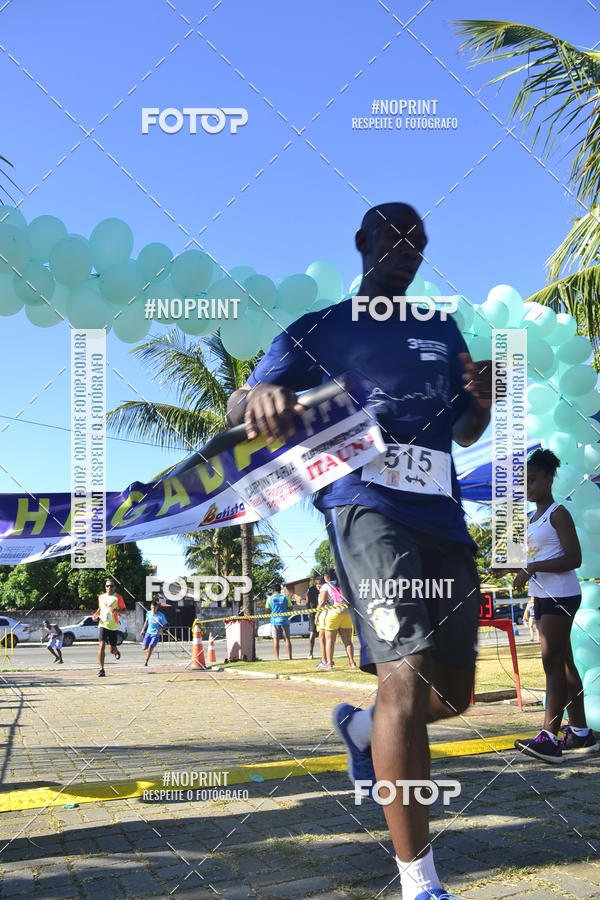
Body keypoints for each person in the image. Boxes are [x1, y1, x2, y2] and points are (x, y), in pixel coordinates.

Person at [227, 202, 493, 900]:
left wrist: (484, 400)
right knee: (403, 674)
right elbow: (240, 400)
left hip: (442, 512)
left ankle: (361, 729)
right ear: (364, 244)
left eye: (420, 241)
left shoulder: (440, 327)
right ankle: (420, 881)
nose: (410, 249)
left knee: (453, 694)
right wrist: (255, 399)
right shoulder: (321, 328)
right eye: (396, 237)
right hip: (364, 504)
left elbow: (466, 431)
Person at [508, 449, 598, 762]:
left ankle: (549, 737)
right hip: (545, 596)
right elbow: (534, 559)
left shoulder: (558, 513)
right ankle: (582, 733)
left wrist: (533, 568)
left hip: (562, 595)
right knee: (564, 662)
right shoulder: (532, 519)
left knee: (551, 661)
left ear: (549, 479)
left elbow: (574, 558)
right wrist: (513, 568)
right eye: (524, 481)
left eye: (533, 480)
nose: (527, 486)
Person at [317, 568, 357, 670]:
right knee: (348, 641)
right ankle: (352, 662)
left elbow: (322, 602)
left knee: (330, 640)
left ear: (327, 576)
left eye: (324, 575)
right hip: (346, 612)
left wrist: (317, 614)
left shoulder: (326, 586)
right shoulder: (343, 583)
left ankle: (329, 663)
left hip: (333, 613)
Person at [93, 576, 126, 677]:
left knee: (111, 650)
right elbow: (100, 609)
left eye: (111, 586)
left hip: (114, 626)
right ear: (105, 587)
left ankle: (116, 651)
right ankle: (101, 669)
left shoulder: (118, 597)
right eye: (107, 586)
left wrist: (117, 610)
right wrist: (95, 615)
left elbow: (124, 610)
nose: (109, 588)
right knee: (101, 645)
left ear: (114, 587)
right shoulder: (101, 597)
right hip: (102, 624)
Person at [266, 582, 293, 661]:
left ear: (273, 590)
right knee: (287, 639)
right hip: (284, 620)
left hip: (274, 621)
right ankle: (290, 657)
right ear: (280, 589)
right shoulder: (285, 597)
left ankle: (277, 658)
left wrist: (273, 611)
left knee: (276, 640)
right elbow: (291, 608)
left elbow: (267, 610)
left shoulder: (269, 598)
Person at [140, 599, 168, 667]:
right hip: (148, 633)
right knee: (144, 648)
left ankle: (146, 661)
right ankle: (149, 648)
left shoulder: (161, 615)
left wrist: (160, 630)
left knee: (150, 647)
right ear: (150, 607)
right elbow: (146, 622)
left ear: (157, 607)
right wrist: (143, 629)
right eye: (152, 607)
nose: (153, 609)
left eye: (155, 607)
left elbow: (165, 626)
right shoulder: (148, 613)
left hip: (155, 634)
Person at [306, 575, 322, 658]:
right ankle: (322, 652)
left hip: (313, 612)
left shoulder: (310, 589)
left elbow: (307, 602)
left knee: (312, 634)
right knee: (321, 633)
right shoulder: (322, 587)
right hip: (321, 611)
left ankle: (310, 653)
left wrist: (309, 611)